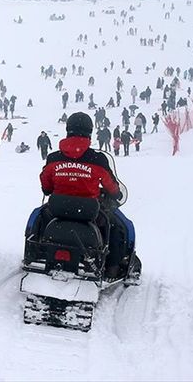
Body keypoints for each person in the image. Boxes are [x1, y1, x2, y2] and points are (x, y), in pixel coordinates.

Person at [38, 112, 135, 278]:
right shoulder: (97, 159)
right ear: (90, 132)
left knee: (38, 218)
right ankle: (112, 267)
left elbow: (46, 183)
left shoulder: (54, 158)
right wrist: (115, 193)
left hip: (58, 209)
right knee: (116, 228)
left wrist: (52, 188)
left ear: (68, 130)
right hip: (89, 212)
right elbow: (111, 185)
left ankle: (37, 253)